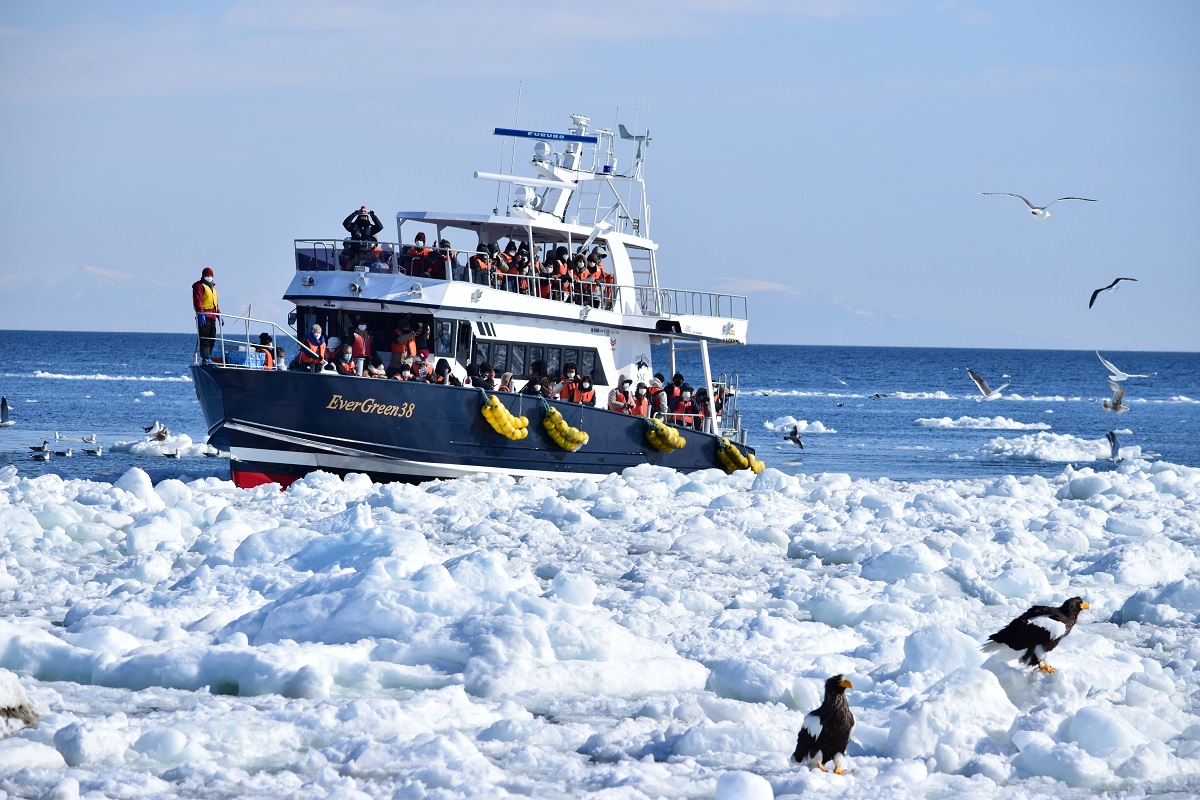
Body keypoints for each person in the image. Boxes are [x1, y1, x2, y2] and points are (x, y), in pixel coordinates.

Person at [191, 267, 221, 362]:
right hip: (204, 316)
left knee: (212, 338)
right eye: (207, 275)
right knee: (205, 338)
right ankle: (205, 358)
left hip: (212, 316)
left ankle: (209, 357)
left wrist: (219, 315)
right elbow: (198, 300)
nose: (209, 277)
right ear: (203, 276)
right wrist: (201, 313)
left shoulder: (213, 289)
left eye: (210, 275)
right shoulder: (199, 286)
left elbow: (215, 303)